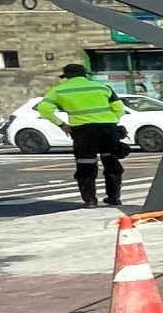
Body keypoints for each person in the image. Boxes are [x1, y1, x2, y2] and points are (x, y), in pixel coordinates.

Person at [38, 62, 127, 209]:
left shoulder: (59, 90)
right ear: (85, 74)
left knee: (86, 165)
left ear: (65, 77)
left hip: (83, 132)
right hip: (107, 129)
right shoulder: (101, 87)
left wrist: (62, 125)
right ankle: (114, 198)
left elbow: (44, 109)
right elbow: (119, 109)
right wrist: (112, 122)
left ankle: (90, 200)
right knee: (111, 163)